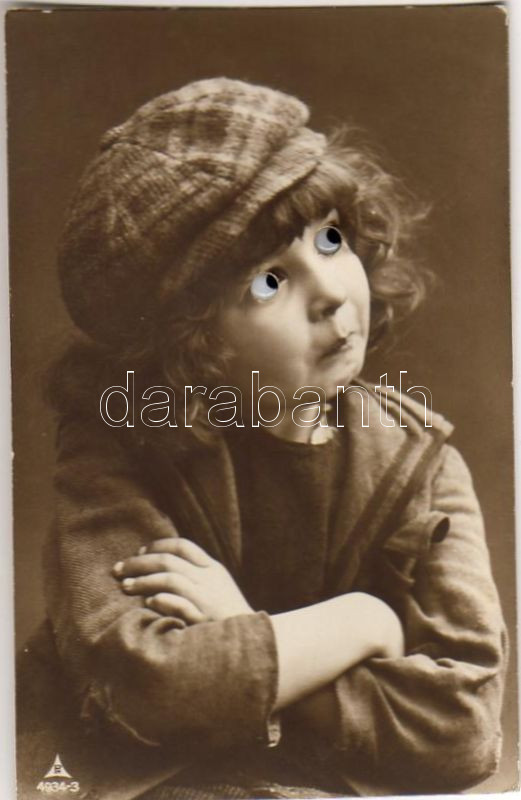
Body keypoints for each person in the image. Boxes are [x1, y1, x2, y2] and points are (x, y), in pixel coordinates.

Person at [17, 78, 507, 800]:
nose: (331, 294)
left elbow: (462, 730)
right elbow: (149, 687)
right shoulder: (119, 444)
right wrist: (360, 623)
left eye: (331, 239)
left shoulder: (422, 460)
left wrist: (243, 631)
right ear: (190, 340)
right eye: (270, 281)